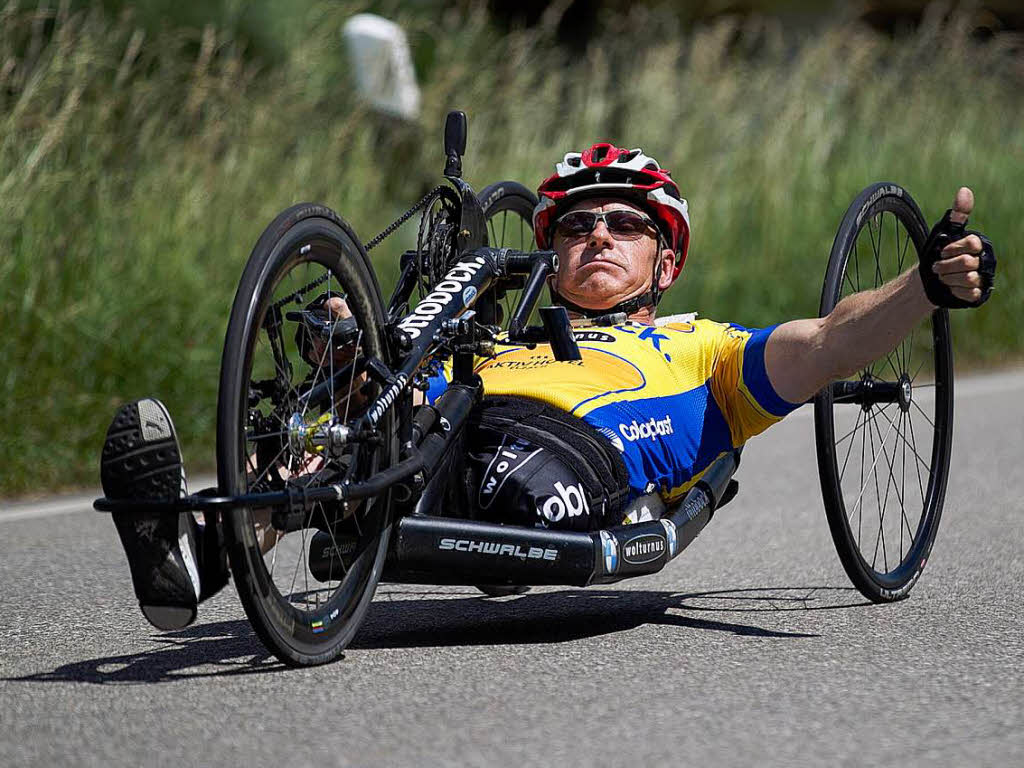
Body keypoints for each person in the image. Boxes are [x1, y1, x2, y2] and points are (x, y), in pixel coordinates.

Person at [100, 142, 996, 630]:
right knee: (355, 419)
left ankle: (288, 517)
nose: (596, 237)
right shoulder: (487, 341)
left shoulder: (708, 348)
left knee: (450, 447)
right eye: (573, 226)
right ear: (547, 249)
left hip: (572, 463)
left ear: (665, 256)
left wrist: (924, 285)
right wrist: (349, 338)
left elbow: (833, 341)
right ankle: (188, 553)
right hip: (450, 430)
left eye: (621, 224)